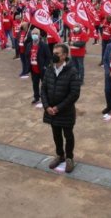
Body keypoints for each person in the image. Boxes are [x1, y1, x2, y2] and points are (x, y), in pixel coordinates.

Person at [41, 43, 81, 173]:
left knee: (68, 135)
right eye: (53, 53)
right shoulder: (49, 69)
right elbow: (43, 90)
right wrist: (47, 107)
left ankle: (69, 158)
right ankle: (60, 155)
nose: (54, 56)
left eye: (57, 54)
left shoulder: (72, 71)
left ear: (64, 56)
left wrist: (58, 108)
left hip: (65, 111)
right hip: (51, 111)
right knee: (56, 134)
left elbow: (74, 94)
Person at [26, 28, 51, 104]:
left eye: (36, 34)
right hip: (33, 69)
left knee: (44, 84)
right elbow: (27, 55)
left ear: (39, 35)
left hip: (42, 69)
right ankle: (36, 97)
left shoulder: (44, 45)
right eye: (33, 34)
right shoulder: (29, 45)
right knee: (35, 84)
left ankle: (45, 98)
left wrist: (45, 66)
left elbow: (49, 57)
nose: (34, 35)